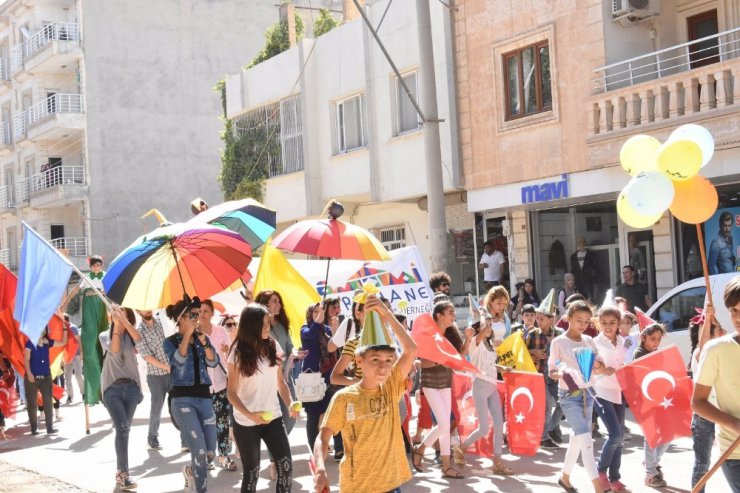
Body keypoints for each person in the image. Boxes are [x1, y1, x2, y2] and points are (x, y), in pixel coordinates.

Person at [313, 292, 417, 493]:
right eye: (375, 359)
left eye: (389, 360)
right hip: (357, 487)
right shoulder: (344, 398)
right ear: (359, 361)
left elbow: (411, 349)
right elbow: (323, 437)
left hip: (391, 484)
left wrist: (386, 313)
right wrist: (319, 468)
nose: (383, 367)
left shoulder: (392, 385)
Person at [227, 303, 300, 493]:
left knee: (286, 469)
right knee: (252, 475)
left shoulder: (273, 345)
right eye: (263, 324)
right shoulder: (237, 352)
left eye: (268, 323)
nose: (268, 327)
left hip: (273, 417)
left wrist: (290, 403)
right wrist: (251, 416)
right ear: (251, 326)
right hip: (245, 422)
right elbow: (231, 393)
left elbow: (280, 383)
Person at [548, 300, 609, 493]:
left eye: (586, 321)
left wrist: (600, 365)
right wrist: (562, 373)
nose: (582, 325)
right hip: (568, 395)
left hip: (588, 394)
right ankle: (598, 486)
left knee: (578, 438)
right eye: (578, 320)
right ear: (568, 319)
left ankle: (565, 478)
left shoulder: (589, 341)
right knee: (586, 438)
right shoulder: (559, 342)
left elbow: (600, 367)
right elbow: (551, 370)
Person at [164, 296, 219, 493]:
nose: (197, 318)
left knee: (210, 452)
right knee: (200, 451)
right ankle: (201, 490)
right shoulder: (170, 341)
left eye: (197, 314)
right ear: (181, 318)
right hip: (182, 399)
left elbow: (213, 362)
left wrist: (203, 341)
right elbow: (178, 360)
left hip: (204, 397)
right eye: (192, 315)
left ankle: (191, 471)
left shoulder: (202, 338)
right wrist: (187, 335)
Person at [692, 275, 740, 492]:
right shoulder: (716, 349)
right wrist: (735, 424)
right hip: (735, 453)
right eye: (734, 310)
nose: (738, 317)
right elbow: (698, 402)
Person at [412, 301, 467, 479]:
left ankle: (446, 467)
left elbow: (459, 359)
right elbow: (424, 363)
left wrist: (469, 338)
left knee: (444, 427)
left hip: (446, 382)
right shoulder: (428, 334)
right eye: (450, 312)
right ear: (439, 315)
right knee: (443, 425)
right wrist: (442, 359)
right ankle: (420, 449)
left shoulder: (451, 335)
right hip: (430, 383)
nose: (453, 316)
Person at [459, 309, 513, 475]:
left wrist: (501, 367)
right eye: (487, 325)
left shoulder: (490, 345)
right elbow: (467, 353)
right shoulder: (475, 341)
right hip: (480, 386)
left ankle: (497, 461)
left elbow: (488, 364)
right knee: (484, 428)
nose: (490, 327)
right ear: (479, 326)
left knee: (498, 425)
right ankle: (462, 447)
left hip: (492, 386)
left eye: (491, 325)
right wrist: (483, 315)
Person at [99, 306, 142, 491]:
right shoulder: (104, 335)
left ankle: (120, 472)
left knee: (124, 430)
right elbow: (115, 351)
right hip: (112, 389)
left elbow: (140, 342)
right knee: (123, 428)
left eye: (124, 314)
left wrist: (124, 322)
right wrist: (117, 326)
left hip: (132, 388)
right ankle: (124, 474)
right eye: (116, 314)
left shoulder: (133, 335)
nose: (119, 316)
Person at [688, 304, 726, 493]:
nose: (725, 331)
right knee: (703, 464)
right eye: (719, 329)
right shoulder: (700, 352)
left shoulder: (722, 350)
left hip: (722, 412)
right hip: (704, 417)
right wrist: (708, 318)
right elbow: (704, 345)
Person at [61, 255, 109, 405]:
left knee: (101, 336)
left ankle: (103, 386)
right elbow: (75, 290)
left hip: (100, 308)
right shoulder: (86, 277)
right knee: (90, 340)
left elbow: (109, 290)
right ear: (91, 266)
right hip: (89, 310)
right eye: (94, 265)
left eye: (99, 265)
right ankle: (92, 388)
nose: (97, 267)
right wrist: (65, 304)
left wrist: (99, 293)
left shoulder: (105, 275)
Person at [592, 306, 629, 492]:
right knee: (615, 434)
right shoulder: (594, 342)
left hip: (618, 392)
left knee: (619, 437)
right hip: (601, 391)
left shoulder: (623, 341)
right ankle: (600, 471)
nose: (608, 326)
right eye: (604, 322)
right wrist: (601, 369)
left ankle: (615, 479)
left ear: (618, 323)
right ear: (599, 322)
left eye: (612, 322)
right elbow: (587, 365)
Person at [199, 300, 236, 471]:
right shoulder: (193, 334)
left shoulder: (221, 331)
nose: (203, 314)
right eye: (199, 311)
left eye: (206, 310)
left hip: (221, 382)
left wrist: (226, 350)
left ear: (212, 313)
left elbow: (230, 356)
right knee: (205, 423)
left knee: (222, 421)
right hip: (201, 385)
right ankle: (207, 456)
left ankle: (224, 455)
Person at [633, 323, 670, 488]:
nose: (656, 342)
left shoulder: (656, 353)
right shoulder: (639, 353)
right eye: (652, 338)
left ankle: (652, 462)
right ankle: (650, 473)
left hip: (660, 400)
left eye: (659, 339)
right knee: (651, 437)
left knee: (667, 434)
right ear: (643, 338)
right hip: (645, 402)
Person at [300, 303, 339, 452]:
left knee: (326, 413)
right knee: (313, 415)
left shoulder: (327, 330)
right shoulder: (305, 329)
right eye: (315, 312)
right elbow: (310, 335)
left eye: (320, 311)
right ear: (309, 315)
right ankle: (314, 448)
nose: (318, 314)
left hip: (327, 377)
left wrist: (334, 329)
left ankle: (323, 442)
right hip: (312, 378)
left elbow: (334, 346)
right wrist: (318, 320)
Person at [526, 299, 564, 449]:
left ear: (551, 319)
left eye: (542, 319)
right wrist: (533, 352)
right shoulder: (532, 334)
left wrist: (555, 343)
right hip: (540, 374)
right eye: (537, 318)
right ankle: (543, 438)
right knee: (546, 406)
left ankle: (552, 427)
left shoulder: (560, 334)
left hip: (556, 376)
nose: (538, 321)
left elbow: (566, 354)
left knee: (564, 402)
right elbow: (521, 353)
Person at [135, 309, 170, 451]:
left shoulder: (163, 322)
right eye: (143, 308)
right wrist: (166, 367)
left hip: (173, 371)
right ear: (138, 312)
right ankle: (152, 437)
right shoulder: (139, 331)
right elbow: (147, 356)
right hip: (156, 375)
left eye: (148, 306)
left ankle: (185, 440)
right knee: (157, 406)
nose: (147, 310)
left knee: (178, 406)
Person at [24, 324, 68, 435]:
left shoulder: (48, 343)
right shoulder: (29, 343)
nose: (44, 329)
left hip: (46, 378)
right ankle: (34, 428)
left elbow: (63, 342)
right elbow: (26, 359)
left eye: (45, 328)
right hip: (32, 378)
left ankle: (50, 427)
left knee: (48, 402)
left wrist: (64, 327)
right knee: (32, 403)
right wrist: (29, 373)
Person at [61, 314, 84, 404]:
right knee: (67, 377)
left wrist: (81, 353)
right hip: (67, 355)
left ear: (66, 321)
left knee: (78, 375)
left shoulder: (73, 328)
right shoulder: (62, 328)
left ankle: (83, 393)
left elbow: (79, 341)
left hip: (76, 355)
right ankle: (70, 396)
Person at [707, 211, 736, 275]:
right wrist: (717, 281)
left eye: (729, 226)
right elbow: (710, 267)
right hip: (723, 281)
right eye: (725, 226)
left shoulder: (730, 239)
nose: (727, 229)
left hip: (731, 278)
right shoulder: (716, 243)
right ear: (720, 226)